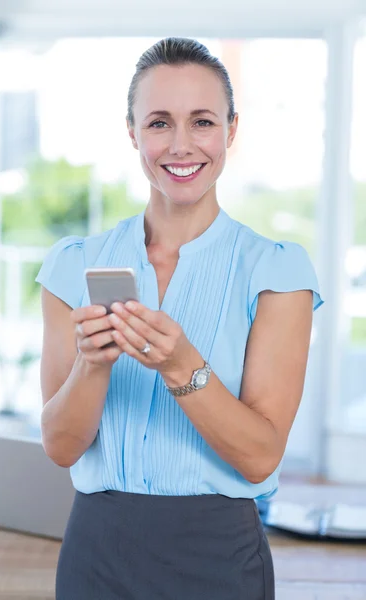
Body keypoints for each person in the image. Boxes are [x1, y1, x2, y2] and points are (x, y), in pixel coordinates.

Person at [35, 37, 324, 600]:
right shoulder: (75, 265)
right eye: (160, 122)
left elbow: (261, 454)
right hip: (96, 554)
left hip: (218, 558)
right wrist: (93, 366)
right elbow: (62, 447)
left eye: (203, 121)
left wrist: (182, 365)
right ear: (133, 132)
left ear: (231, 132)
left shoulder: (276, 271)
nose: (182, 145)